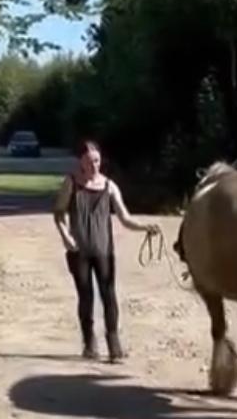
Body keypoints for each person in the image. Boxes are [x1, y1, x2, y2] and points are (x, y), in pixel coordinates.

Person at [52, 139, 161, 361]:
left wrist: (145, 227)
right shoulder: (71, 183)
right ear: (81, 162)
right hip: (79, 251)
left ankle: (114, 344)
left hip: (104, 251)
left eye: (97, 160)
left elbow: (125, 217)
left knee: (109, 295)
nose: (94, 165)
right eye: (89, 161)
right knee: (86, 296)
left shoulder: (109, 186)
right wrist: (66, 236)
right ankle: (89, 343)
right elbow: (59, 213)